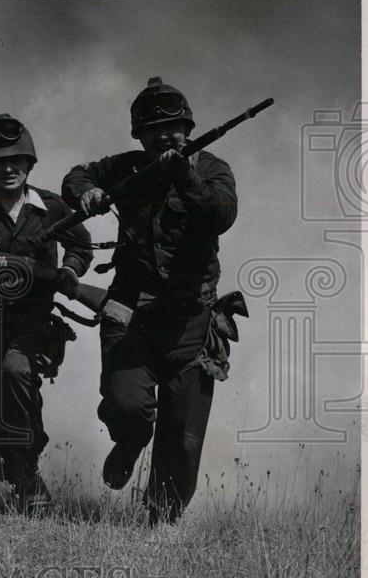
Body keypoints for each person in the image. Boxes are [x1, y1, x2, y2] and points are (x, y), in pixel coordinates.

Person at [61, 77, 238, 523]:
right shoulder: (128, 167)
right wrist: (88, 193)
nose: (164, 136)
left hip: (191, 321)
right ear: (138, 136)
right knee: (125, 406)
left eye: (174, 127)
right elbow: (77, 174)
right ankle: (129, 440)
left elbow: (221, 215)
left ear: (188, 128)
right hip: (131, 314)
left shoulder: (213, 169)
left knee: (182, 435)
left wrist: (185, 177)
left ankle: (159, 520)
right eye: (153, 129)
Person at [0, 114, 93, 515]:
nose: (8, 168)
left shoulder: (50, 207)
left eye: (17, 161)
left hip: (32, 322)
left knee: (16, 372)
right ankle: (12, 466)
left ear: (30, 165)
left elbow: (81, 247)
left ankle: (27, 474)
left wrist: (68, 272)